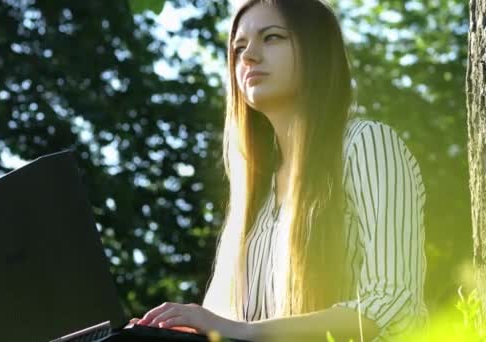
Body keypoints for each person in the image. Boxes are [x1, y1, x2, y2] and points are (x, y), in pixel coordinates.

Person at [129, 0, 428, 341]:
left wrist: (243, 330)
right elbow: (230, 328)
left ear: (315, 50)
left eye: (271, 38)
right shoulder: (253, 194)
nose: (249, 56)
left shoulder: (366, 144)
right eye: (239, 47)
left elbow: (392, 303)